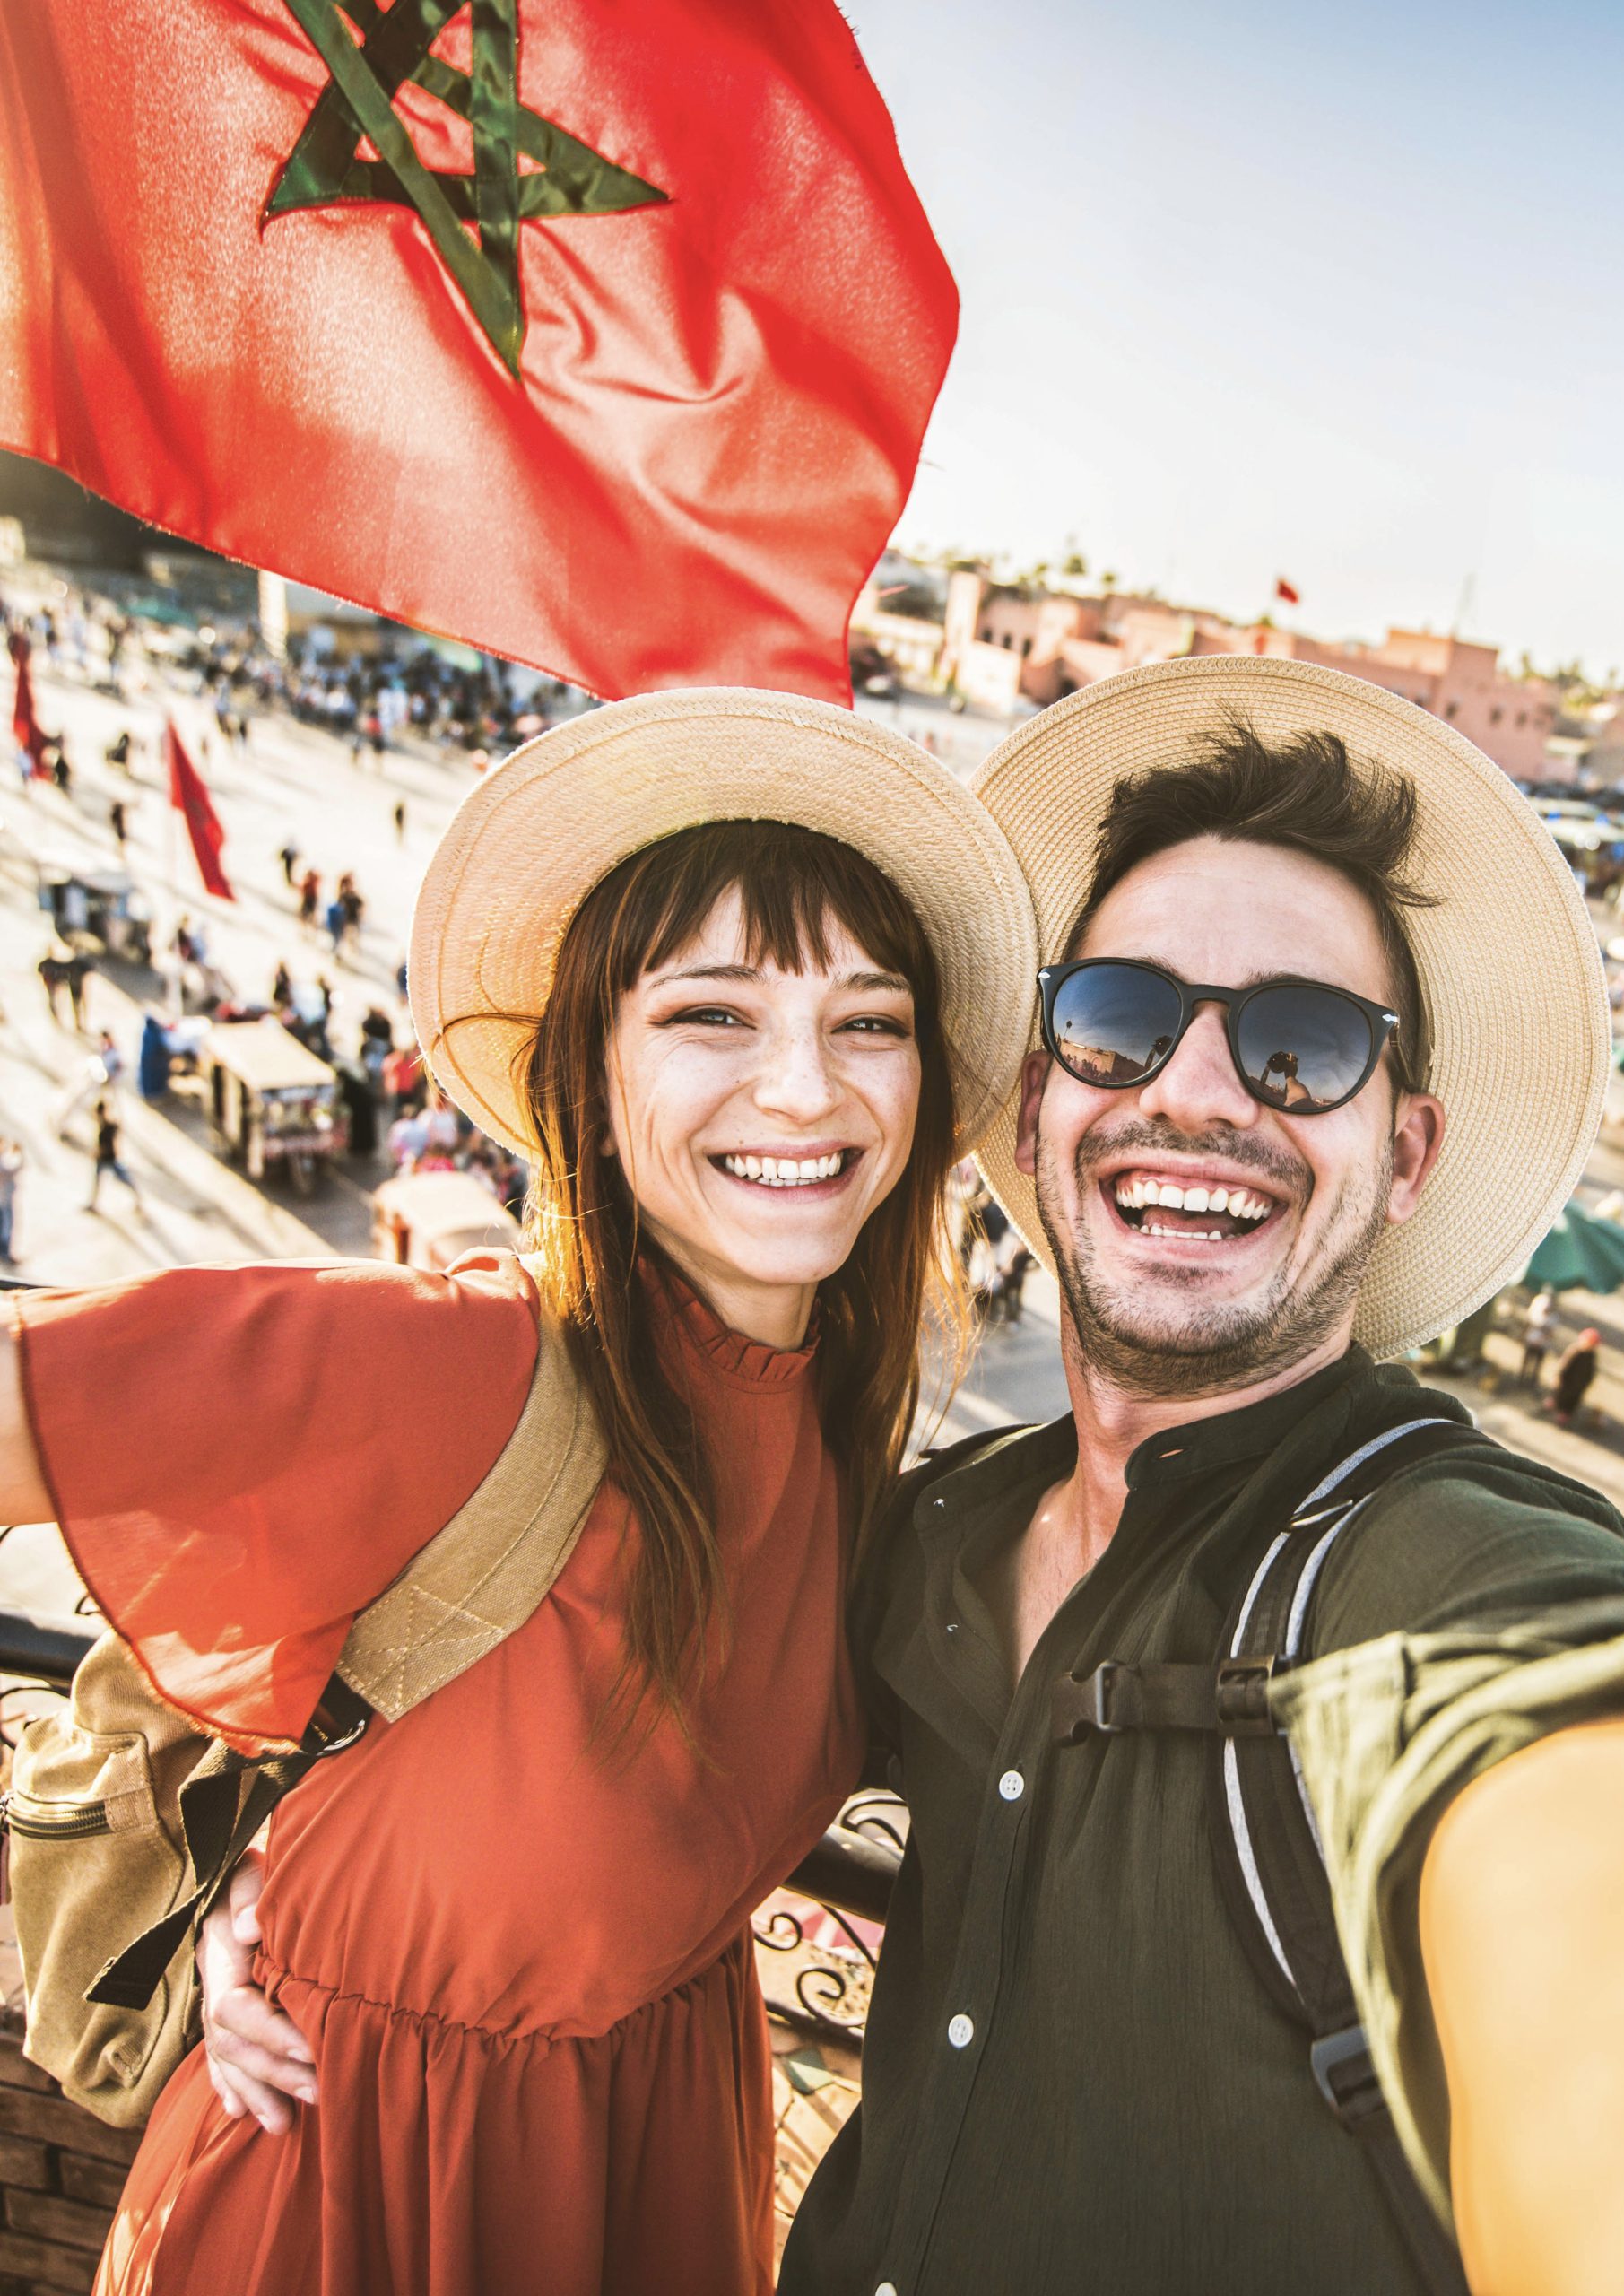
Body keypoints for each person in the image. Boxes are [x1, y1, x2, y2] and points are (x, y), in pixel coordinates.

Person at [232, 662, 1624, 2293]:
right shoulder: (924, 1534)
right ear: (1037, 1096)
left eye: (1300, 1043)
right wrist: (293, 1858)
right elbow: (612, 1720)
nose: (1195, 1090)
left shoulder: (1435, 1567)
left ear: (1401, 1143)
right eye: (1121, 1018)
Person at [7, 691, 1037, 2296]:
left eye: (870, 1020)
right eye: (712, 1015)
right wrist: (295, 1935)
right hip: (348, 2193)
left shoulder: (851, 1437)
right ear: (591, 1068)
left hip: (652, 2159)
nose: (803, 1090)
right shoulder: (461, 1365)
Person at [85, 1099, 139, 1213]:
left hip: (110, 1158)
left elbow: (110, 1143)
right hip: (103, 1160)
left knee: (124, 1179)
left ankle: (138, 1199)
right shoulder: (102, 1125)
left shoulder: (109, 1127)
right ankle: (93, 1203)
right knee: (98, 1181)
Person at [1547, 1326, 1602, 1425]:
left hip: (1579, 1384)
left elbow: (1591, 1369)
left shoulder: (1591, 1355)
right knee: (1560, 1394)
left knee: (1573, 1400)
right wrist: (1558, 1376)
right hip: (1567, 1381)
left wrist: (1589, 1381)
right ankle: (1553, 1402)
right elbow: (1564, 1365)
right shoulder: (1575, 1351)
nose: (1589, 1346)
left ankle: (1565, 1414)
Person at [0, 1132, 22, 1263]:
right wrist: (18, 1155)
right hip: (3, 1199)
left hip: (5, 1198)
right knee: (6, 1224)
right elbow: (11, 1169)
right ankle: (4, 1251)